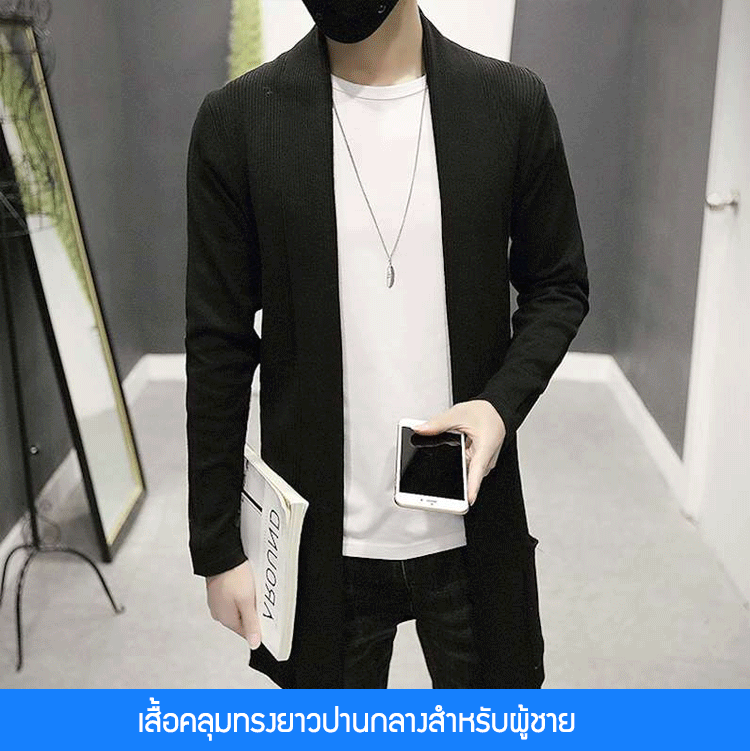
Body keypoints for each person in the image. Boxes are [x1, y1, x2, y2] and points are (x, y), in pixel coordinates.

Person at [185, 0, 589, 689]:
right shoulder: (241, 121)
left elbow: (558, 284)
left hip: (471, 528)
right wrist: (218, 544)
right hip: (320, 542)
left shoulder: (508, 104)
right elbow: (218, 343)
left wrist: (499, 405)